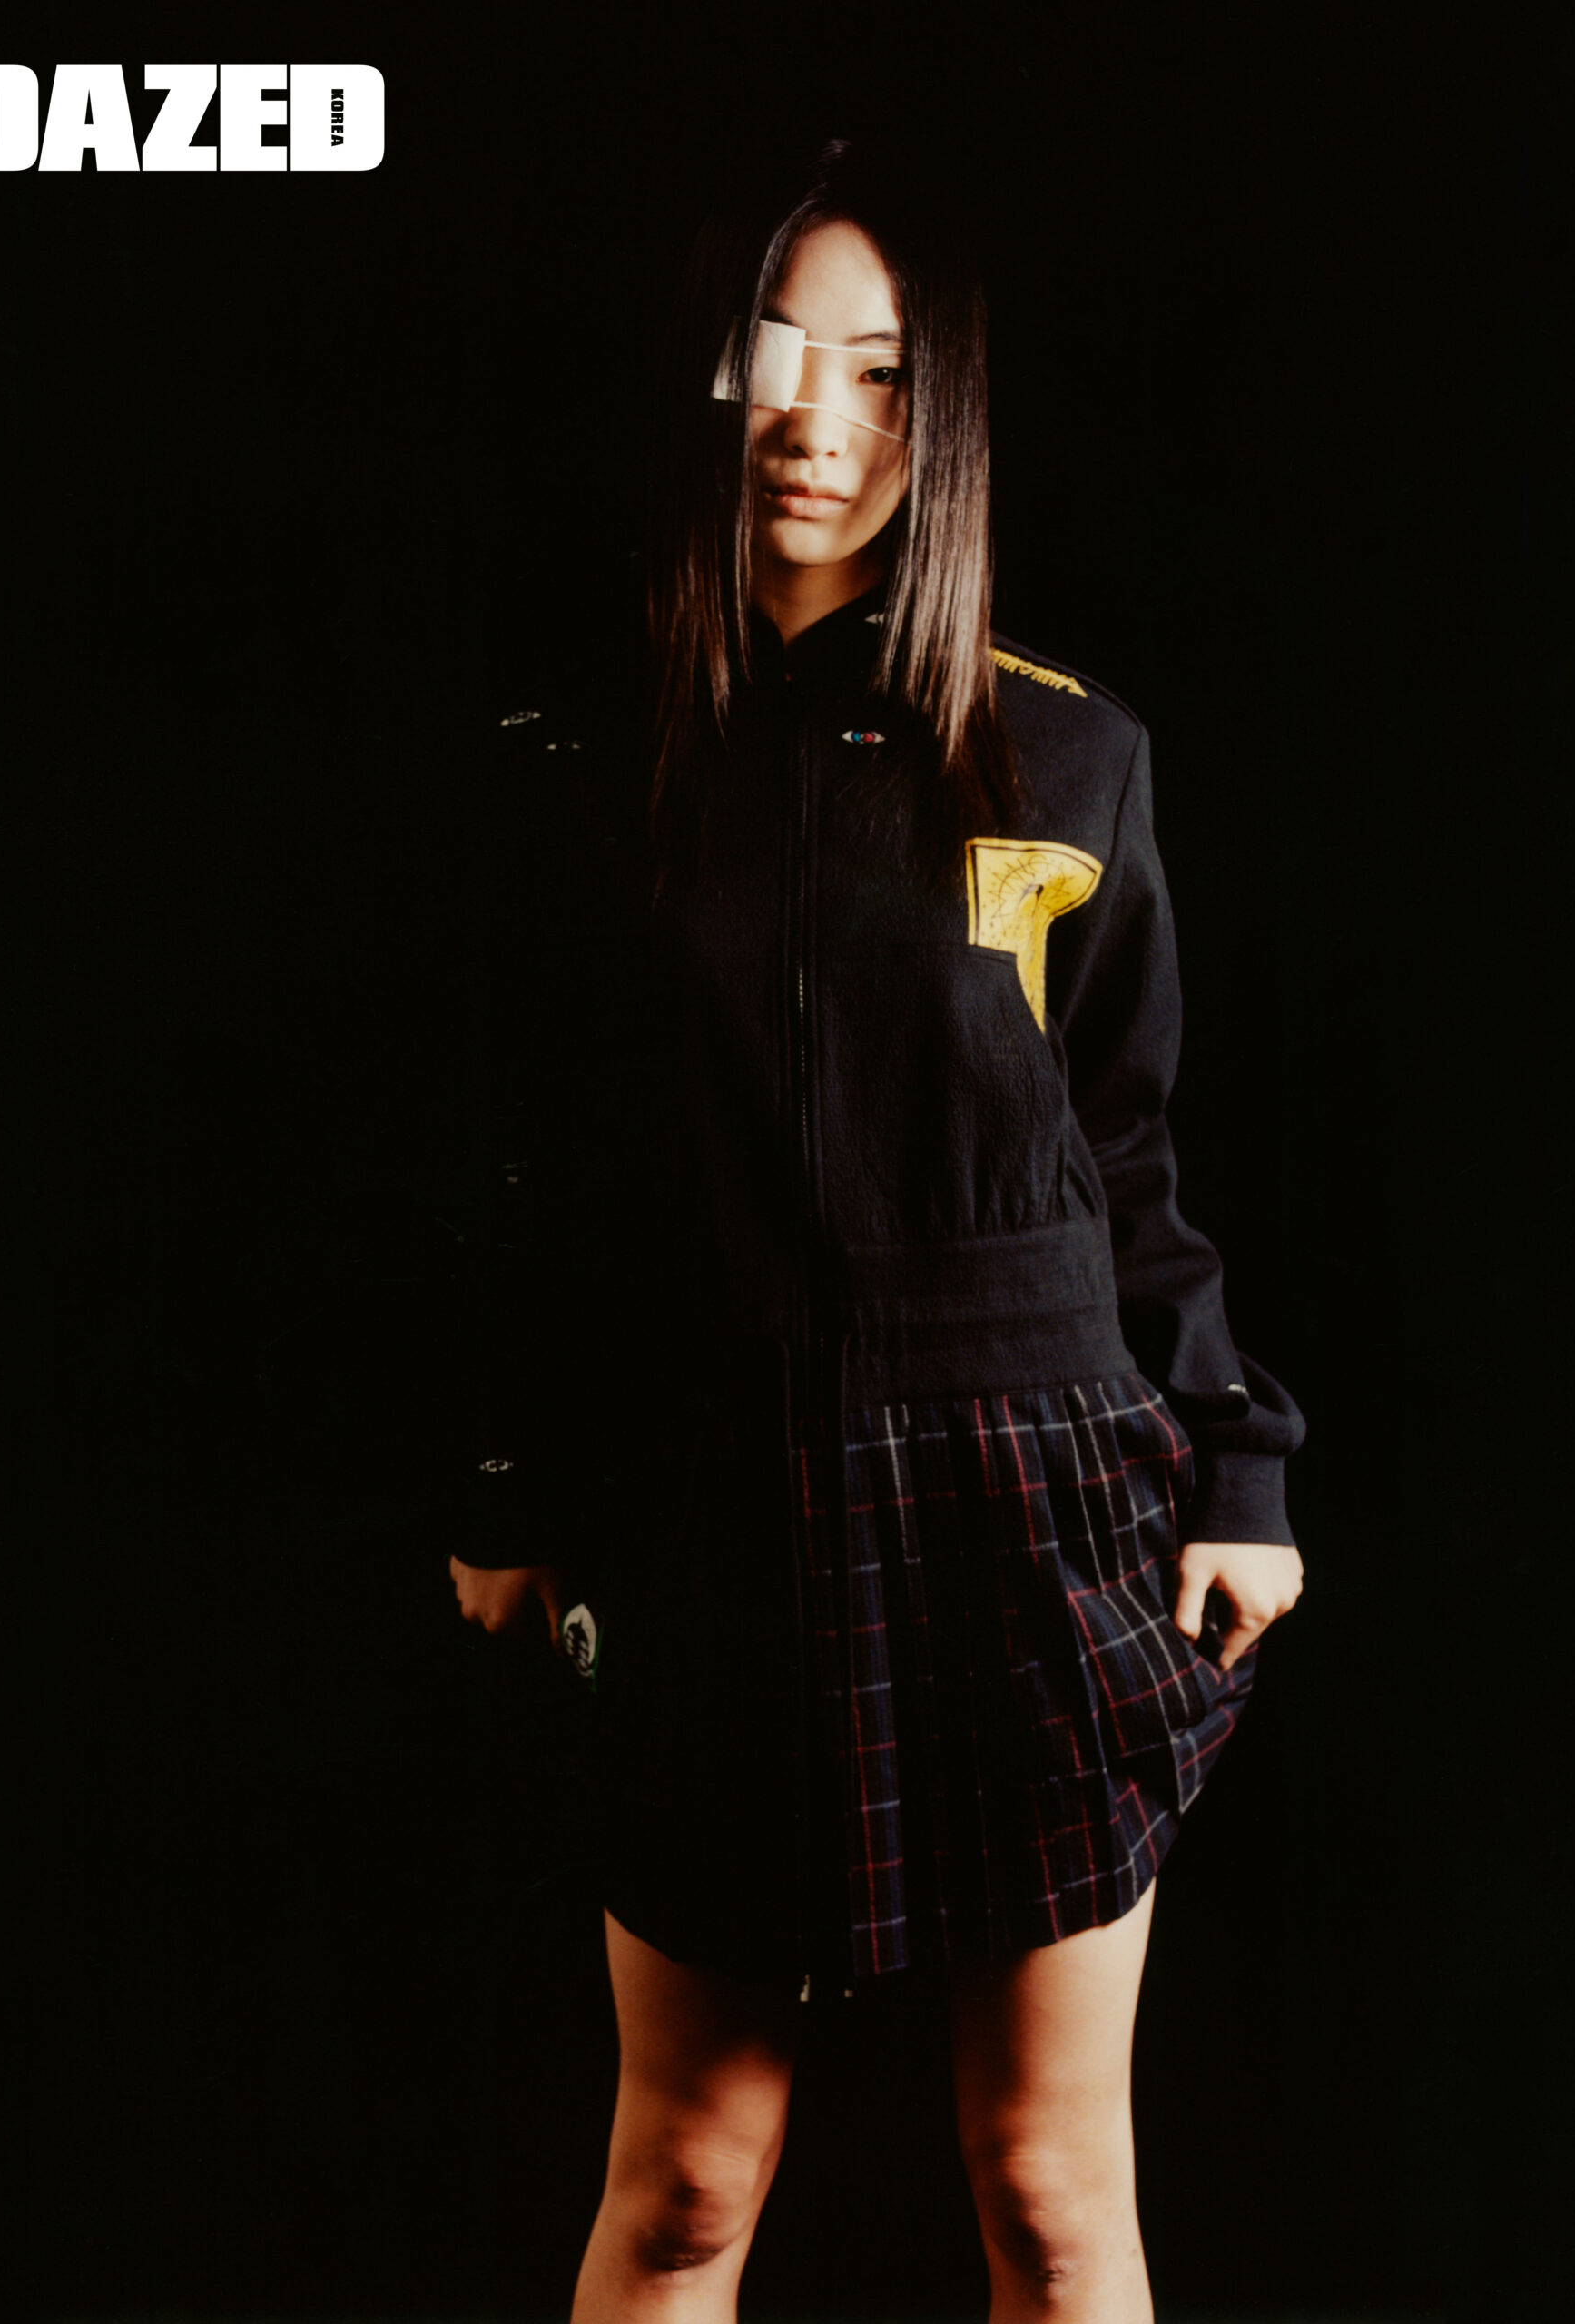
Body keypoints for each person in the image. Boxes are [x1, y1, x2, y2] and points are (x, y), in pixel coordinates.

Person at [449, 137, 1304, 2324]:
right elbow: (531, 1164)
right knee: (683, 2183)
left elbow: (1128, 1150)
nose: (814, 418)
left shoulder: (1065, 753)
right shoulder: (576, 759)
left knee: (1048, 2191)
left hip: (1029, 1496)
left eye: (881, 371)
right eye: (771, 352)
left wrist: (1234, 1461)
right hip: (711, 1501)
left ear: (947, 416)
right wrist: (507, 1479)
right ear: (703, 378)